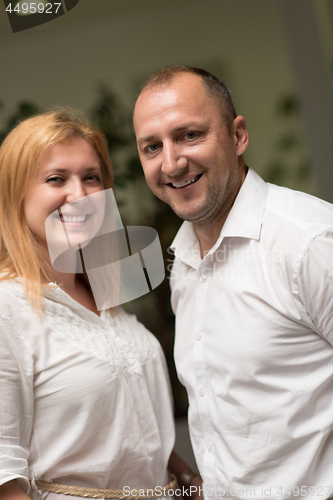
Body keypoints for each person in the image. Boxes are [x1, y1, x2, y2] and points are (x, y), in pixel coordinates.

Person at [133, 66, 333, 500]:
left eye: (189, 135)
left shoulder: (309, 241)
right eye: (152, 147)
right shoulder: (183, 261)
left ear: (238, 136)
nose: (171, 162)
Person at [0, 109, 200, 500]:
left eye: (91, 178)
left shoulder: (106, 292)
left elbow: (129, 422)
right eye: (56, 179)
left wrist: (188, 481)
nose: (80, 195)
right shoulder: (8, 308)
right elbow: (4, 475)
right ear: (14, 194)